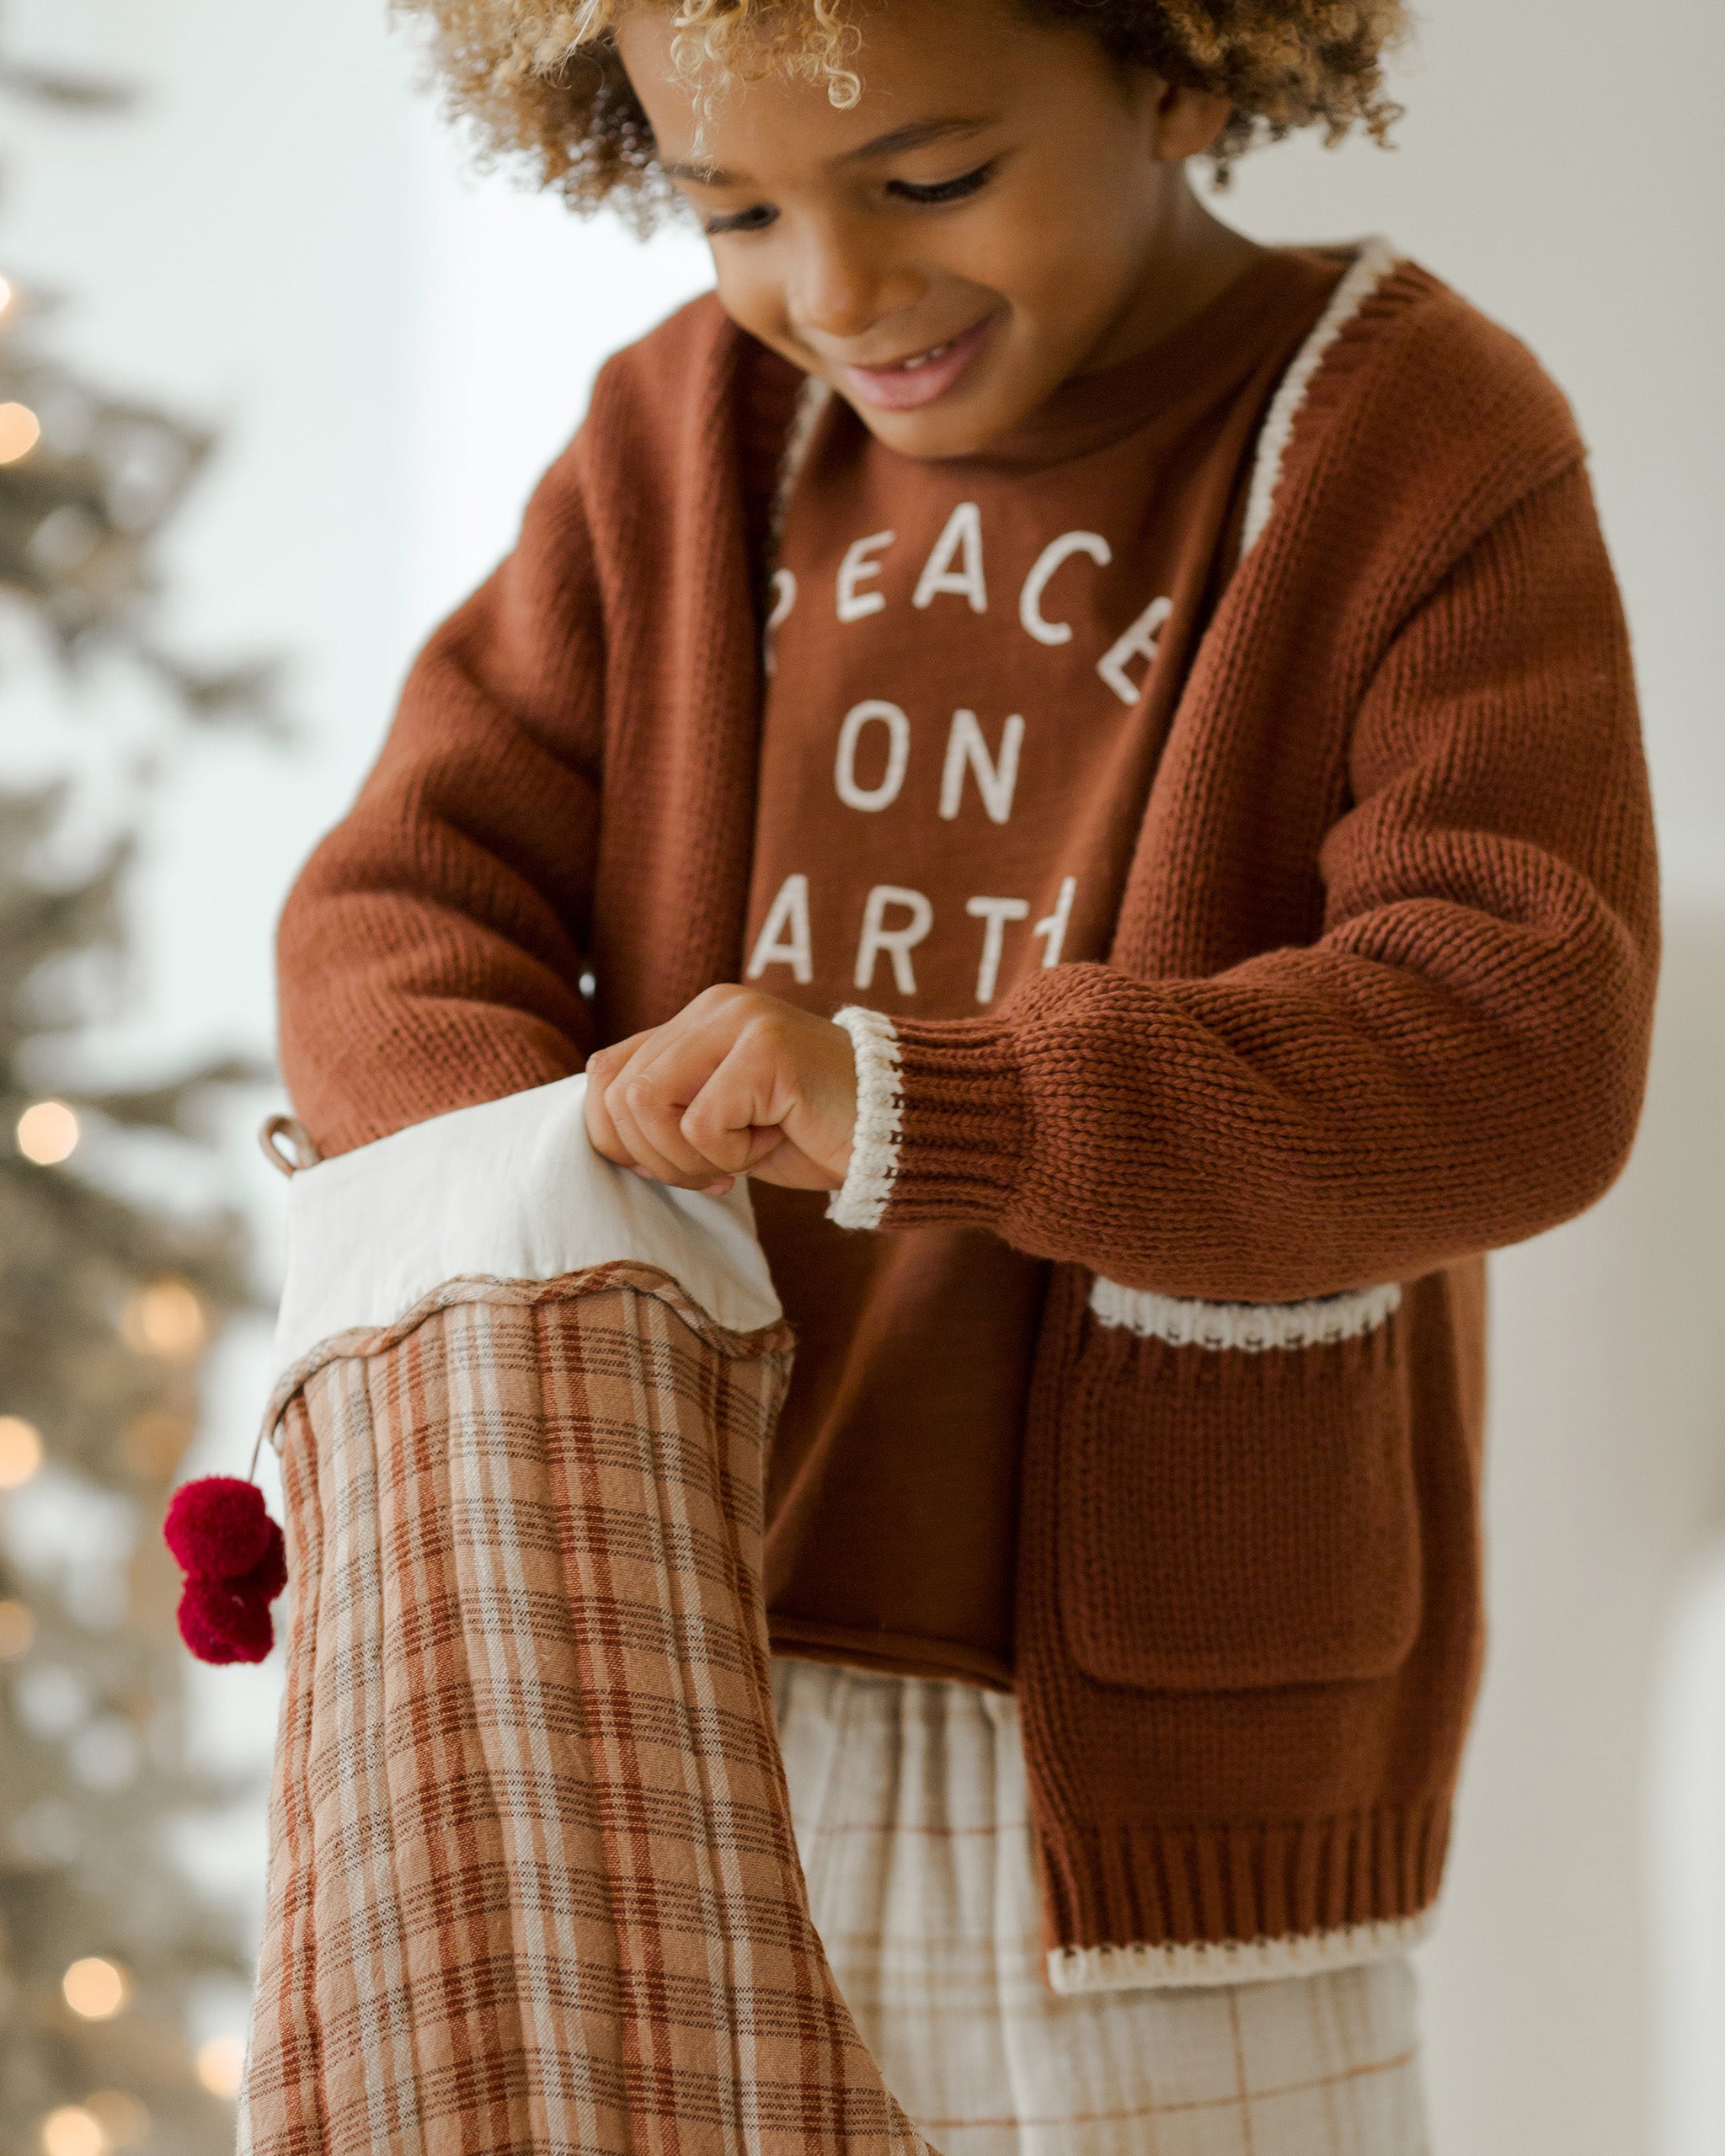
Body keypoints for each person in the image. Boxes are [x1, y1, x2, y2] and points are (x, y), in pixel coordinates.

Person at [274, 0, 1659, 2145]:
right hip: (681, 1661)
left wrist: (923, 1094)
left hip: (1141, 1786)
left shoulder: (1413, 438)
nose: (835, 293)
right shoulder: (684, 435)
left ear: (1179, 63)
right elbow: (391, 899)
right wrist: (541, 1175)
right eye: (730, 204)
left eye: (926, 180)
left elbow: (1521, 1043)